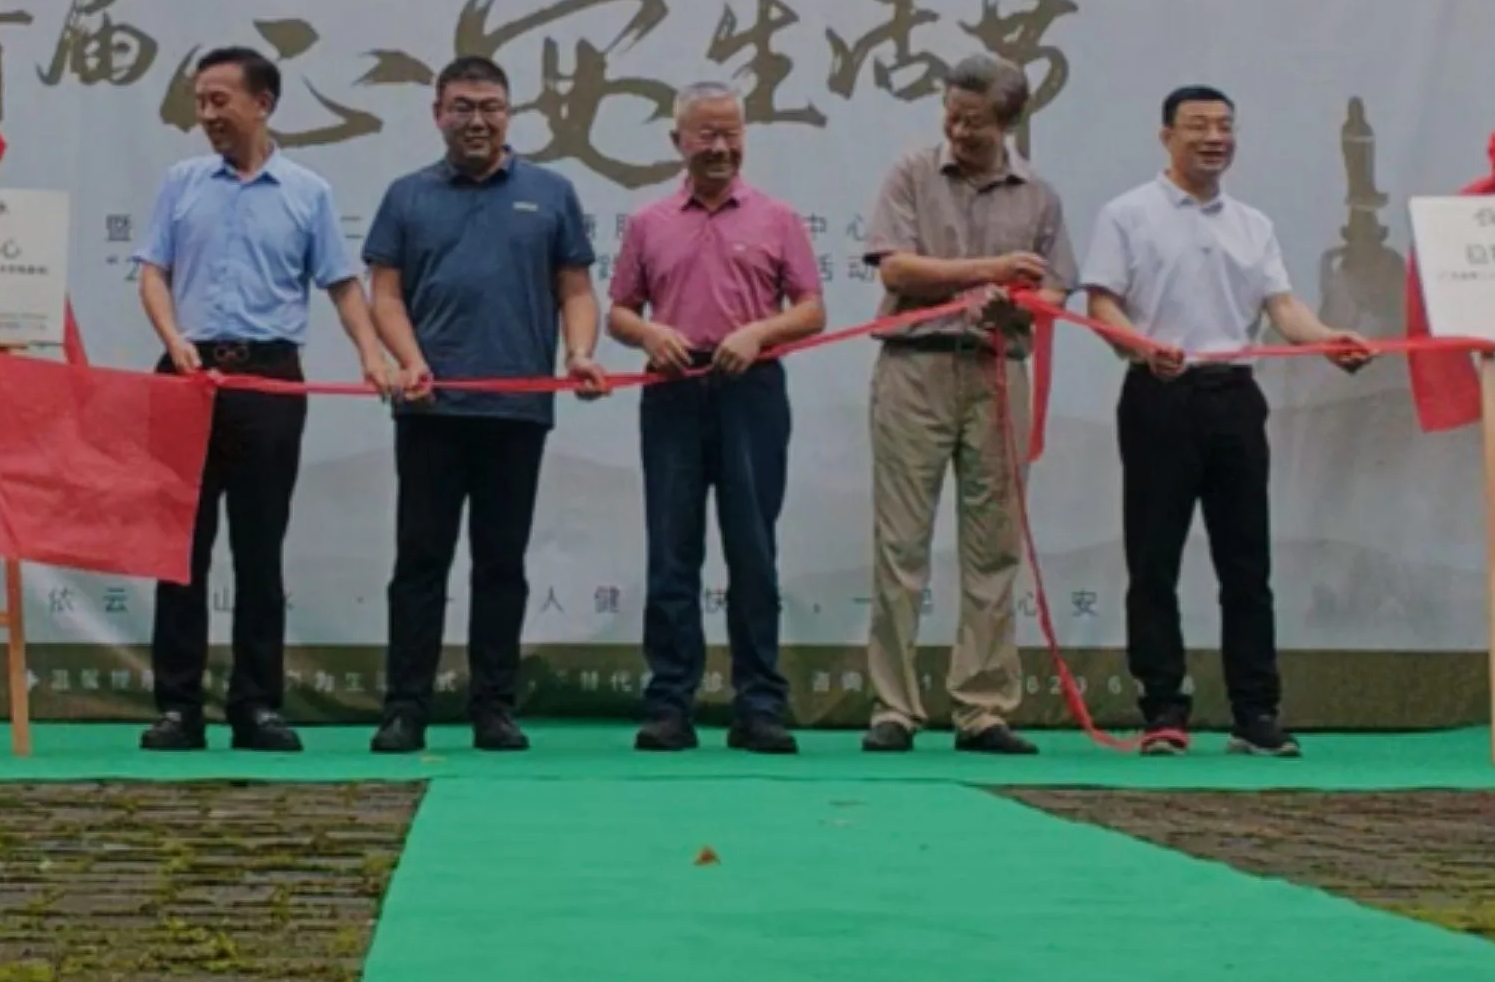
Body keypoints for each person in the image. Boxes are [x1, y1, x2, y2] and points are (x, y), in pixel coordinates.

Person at [1079, 86, 1373, 759]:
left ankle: (1255, 711)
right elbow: (1101, 304)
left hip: (1235, 399)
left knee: (1247, 562)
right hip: (1159, 397)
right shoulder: (1128, 214)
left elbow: (1283, 307)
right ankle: (1163, 710)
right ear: (1166, 136)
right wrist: (1141, 346)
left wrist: (1327, 340)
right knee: (1153, 559)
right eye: (1198, 126)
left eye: (1225, 126)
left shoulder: (1252, 224)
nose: (1214, 137)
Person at [134, 46, 400, 754]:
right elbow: (153, 273)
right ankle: (178, 707)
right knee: (180, 552)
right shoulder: (182, 182)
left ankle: (256, 706)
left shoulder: (306, 192)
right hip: (187, 376)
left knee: (259, 549)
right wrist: (173, 337)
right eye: (201, 101)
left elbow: (342, 286)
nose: (208, 115)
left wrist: (372, 357)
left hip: (270, 381)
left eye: (221, 100)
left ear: (264, 103)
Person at [363, 54, 605, 753]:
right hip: (430, 411)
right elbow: (385, 293)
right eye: (463, 106)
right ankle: (405, 707)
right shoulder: (406, 196)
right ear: (437, 114)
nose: (477, 119)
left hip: (515, 412)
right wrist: (411, 362)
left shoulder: (551, 193)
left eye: (491, 106)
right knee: (420, 562)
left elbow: (576, 290)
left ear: (510, 113)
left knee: (501, 564)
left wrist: (580, 353)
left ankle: (493, 706)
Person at [858, 55, 1074, 755]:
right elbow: (897, 268)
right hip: (914, 369)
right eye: (951, 113)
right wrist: (989, 271)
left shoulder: (1039, 194)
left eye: (974, 121)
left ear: (1008, 121)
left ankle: (981, 708)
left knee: (993, 547)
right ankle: (894, 706)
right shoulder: (910, 174)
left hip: (995, 371)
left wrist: (1025, 300)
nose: (958, 128)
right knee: (900, 545)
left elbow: (1056, 294)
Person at [605, 82, 826, 754]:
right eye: (706, 135)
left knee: (753, 551)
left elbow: (811, 308)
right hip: (672, 390)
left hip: (750, 388)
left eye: (731, 133)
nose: (721, 147)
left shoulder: (776, 217)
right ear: (678, 141)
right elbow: (618, 309)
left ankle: (759, 704)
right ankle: (670, 703)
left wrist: (759, 333)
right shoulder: (649, 222)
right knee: (672, 550)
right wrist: (649, 337)